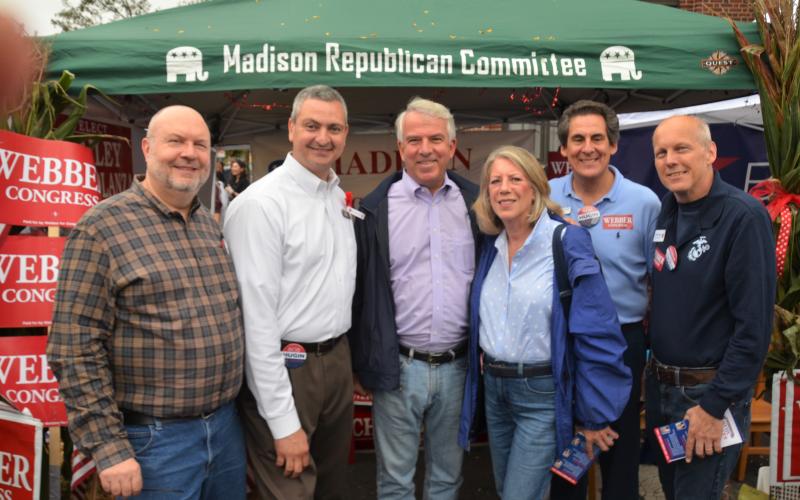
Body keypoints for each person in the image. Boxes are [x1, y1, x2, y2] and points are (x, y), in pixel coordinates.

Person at [47, 105, 246, 499]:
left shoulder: (208, 224)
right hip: (152, 443)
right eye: (176, 141)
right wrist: (108, 448)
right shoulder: (101, 228)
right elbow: (74, 348)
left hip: (225, 430)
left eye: (200, 145)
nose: (189, 153)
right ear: (148, 148)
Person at [458, 145, 631, 500]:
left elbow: (598, 330)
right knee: (511, 490)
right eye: (495, 181)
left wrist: (594, 414)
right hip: (495, 390)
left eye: (515, 179)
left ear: (535, 188)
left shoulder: (566, 240)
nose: (504, 188)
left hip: (541, 393)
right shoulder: (490, 246)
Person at [223, 85, 356, 499]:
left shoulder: (336, 195)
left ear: (346, 133)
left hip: (336, 360)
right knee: (289, 492)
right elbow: (255, 322)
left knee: (332, 489)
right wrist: (283, 422)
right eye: (312, 125)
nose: (323, 137)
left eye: (333, 128)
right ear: (291, 129)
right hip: (287, 367)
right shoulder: (260, 204)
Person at [349, 97, 479, 499]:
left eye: (436, 139)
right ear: (400, 148)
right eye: (415, 140)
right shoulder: (374, 210)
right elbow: (358, 291)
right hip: (398, 369)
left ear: (452, 145)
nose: (426, 149)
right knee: (394, 481)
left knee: (447, 478)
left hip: (458, 367)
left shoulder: (478, 204)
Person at [646, 115, 775, 500]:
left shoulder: (743, 217)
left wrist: (714, 408)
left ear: (710, 153)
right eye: (661, 152)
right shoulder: (667, 211)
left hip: (707, 400)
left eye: (681, 148)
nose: (671, 160)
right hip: (663, 392)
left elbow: (753, 331)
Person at [548, 100, 660, 499]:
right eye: (577, 139)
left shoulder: (645, 202)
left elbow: (657, 280)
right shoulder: (545, 198)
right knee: (567, 455)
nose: (587, 147)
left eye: (598, 138)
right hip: (563, 344)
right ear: (564, 149)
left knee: (619, 452)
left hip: (621, 345)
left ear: (613, 145)